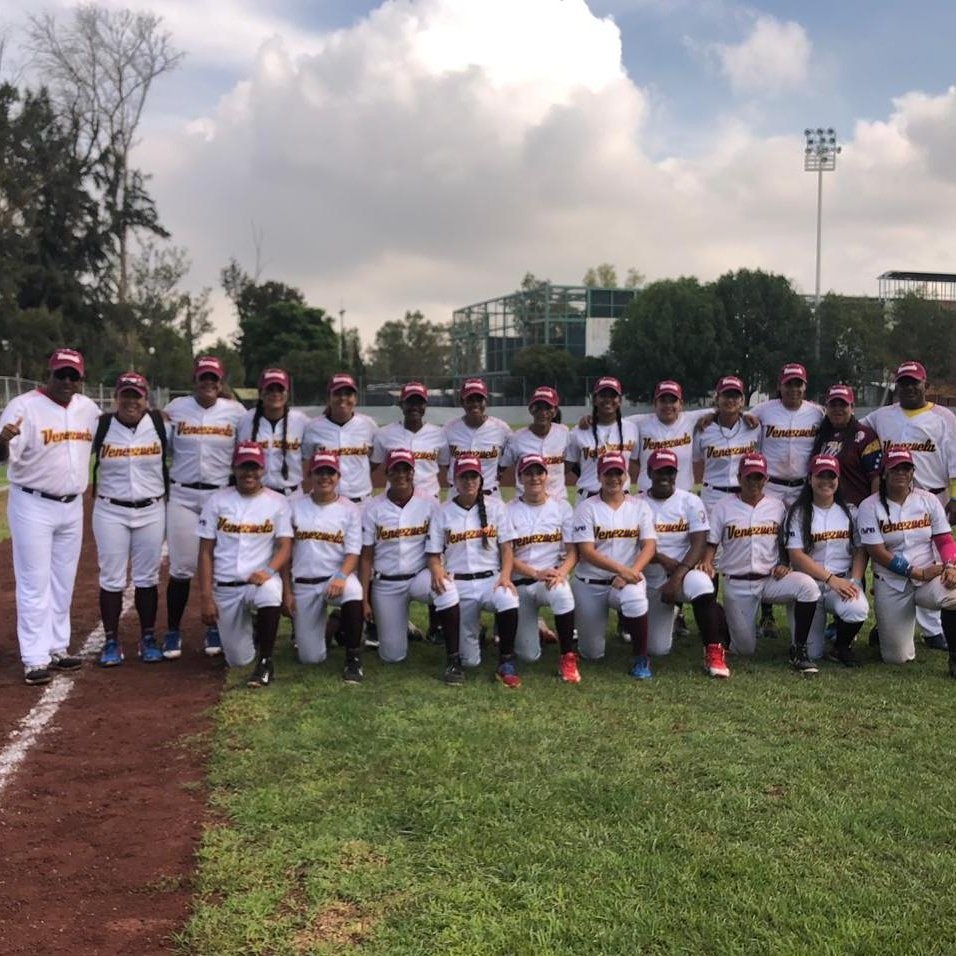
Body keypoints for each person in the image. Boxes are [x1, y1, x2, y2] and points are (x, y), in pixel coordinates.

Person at [0, 348, 99, 685]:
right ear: (50, 373)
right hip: (33, 503)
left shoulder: (88, 409)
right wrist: (2, 441)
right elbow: (3, 455)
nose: (67, 381)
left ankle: (58, 646)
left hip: (72, 504)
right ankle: (34, 657)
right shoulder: (24, 406)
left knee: (63, 579)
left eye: (74, 376)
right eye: (62, 374)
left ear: (81, 379)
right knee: (33, 581)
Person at [862, 360, 956, 650]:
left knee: (932, 560)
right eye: (903, 383)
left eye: (914, 382)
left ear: (925, 385)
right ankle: (892, 620)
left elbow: (954, 459)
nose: (909, 387)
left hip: (933, 495)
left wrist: (955, 496)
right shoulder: (882, 416)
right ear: (897, 387)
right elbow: (854, 429)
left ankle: (932, 630)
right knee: (896, 556)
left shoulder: (944, 417)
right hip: (892, 497)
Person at [701, 452, 821, 672]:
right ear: (739, 478)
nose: (754, 482)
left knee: (807, 587)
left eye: (759, 477)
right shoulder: (723, 507)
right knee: (744, 650)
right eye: (749, 477)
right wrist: (707, 562)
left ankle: (799, 647)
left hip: (770, 579)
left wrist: (785, 563)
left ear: (766, 479)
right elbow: (712, 543)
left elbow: (785, 542)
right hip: (738, 583)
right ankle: (721, 618)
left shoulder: (777, 506)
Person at [163, 355, 244, 660]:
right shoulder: (176, 409)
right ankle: (173, 630)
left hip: (220, 496)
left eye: (214, 378)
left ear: (221, 382)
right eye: (203, 377)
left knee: (220, 565)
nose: (208, 383)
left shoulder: (236, 412)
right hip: (183, 495)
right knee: (182, 567)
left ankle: (215, 627)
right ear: (194, 380)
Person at [360, 449, 465, 683]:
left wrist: (439, 569)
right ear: (386, 472)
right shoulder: (372, 507)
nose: (401, 474)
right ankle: (400, 626)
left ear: (413, 472)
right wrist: (364, 598)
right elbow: (366, 556)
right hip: (386, 583)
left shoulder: (429, 503)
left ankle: (454, 658)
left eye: (406, 469)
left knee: (446, 589)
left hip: (420, 577)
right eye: (395, 469)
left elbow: (437, 545)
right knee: (392, 656)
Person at [197, 441, 293, 687]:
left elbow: (285, 545)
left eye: (254, 467)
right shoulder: (217, 501)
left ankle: (266, 661)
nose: (249, 473)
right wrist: (206, 596)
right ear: (234, 468)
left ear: (262, 469)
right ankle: (250, 633)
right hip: (226, 585)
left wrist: (270, 571)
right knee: (239, 659)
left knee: (271, 590)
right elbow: (206, 552)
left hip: (257, 580)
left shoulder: (277, 501)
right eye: (243, 467)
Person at [857, 446, 956, 673]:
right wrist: (915, 572)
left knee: (954, 595)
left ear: (913, 472)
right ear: (884, 473)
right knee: (897, 658)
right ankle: (885, 630)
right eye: (894, 469)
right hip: (892, 582)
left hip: (930, 577)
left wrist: (951, 565)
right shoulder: (869, 506)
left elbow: (944, 539)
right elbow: (877, 551)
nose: (900, 473)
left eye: (906, 468)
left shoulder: (928, 500)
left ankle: (954, 655)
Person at [91, 372, 167, 666]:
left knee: (147, 577)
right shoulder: (102, 425)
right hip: (110, 509)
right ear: (116, 398)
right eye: (126, 395)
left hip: (151, 509)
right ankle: (111, 640)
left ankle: (148, 637)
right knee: (111, 576)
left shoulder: (160, 424)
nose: (131, 401)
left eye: (137, 395)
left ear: (146, 399)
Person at [429, 454, 521, 685]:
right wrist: (437, 570)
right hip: (458, 581)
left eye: (473, 476)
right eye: (463, 477)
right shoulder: (443, 511)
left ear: (481, 479)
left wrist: (506, 577)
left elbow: (507, 548)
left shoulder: (496, 507)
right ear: (454, 481)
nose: (469, 481)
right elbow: (433, 553)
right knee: (471, 661)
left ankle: (506, 660)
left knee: (508, 597)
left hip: (490, 580)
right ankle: (457, 657)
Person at [749, 362, 824, 639]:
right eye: (788, 383)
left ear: (805, 386)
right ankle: (767, 613)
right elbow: (734, 417)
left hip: (803, 487)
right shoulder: (763, 411)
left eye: (798, 384)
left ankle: (806, 599)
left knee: (804, 542)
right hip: (773, 486)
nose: (793, 388)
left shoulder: (817, 413)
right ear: (779, 385)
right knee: (769, 544)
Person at [642, 449, 728, 678]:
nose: (665, 477)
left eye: (670, 472)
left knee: (702, 583)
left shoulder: (689, 500)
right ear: (649, 472)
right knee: (657, 649)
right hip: (652, 576)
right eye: (660, 471)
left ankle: (713, 650)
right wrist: (661, 558)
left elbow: (699, 542)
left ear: (676, 474)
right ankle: (708, 613)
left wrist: (678, 575)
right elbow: (636, 546)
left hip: (685, 571)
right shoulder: (638, 502)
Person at [570, 451, 657, 678]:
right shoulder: (586, 508)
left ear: (626, 475)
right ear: (599, 476)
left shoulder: (640, 506)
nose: (614, 479)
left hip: (626, 579)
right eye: (608, 474)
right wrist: (622, 570)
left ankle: (641, 658)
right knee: (592, 653)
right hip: (590, 582)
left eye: (618, 473)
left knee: (636, 598)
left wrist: (632, 573)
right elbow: (586, 552)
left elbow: (649, 546)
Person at [284, 451, 364, 682]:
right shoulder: (294, 507)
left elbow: (353, 553)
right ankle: (334, 624)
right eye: (320, 472)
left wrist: (341, 576)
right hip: (304, 584)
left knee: (354, 590)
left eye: (330, 472)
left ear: (338, 476)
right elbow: (285, 552)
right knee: (311, 658)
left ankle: (353, 658)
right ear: (310, 474)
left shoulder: (349, 509)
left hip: (335, 579)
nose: (325, 477)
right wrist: (286, 592)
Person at [784, 454, 869, 665]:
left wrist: (855, 581)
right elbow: (796, 555)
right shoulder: (798, 512)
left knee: (857, 608)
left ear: (838, 480)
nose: (826, 481)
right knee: (812, 653)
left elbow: (860, 549)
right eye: (820, 475)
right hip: (808, 586)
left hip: (840, 582)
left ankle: (842, 646)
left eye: (831, 476)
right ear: (810, 478)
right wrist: (830, 578)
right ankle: (806, 643)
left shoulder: (850, 512)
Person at [506, 453, 579, 682]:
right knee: (529, 656)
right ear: (520, 477)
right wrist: (535, 573)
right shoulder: (507, 509)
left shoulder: (562, 507)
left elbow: (573, 551)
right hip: (521, 584)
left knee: (563, 592)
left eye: (539, 472)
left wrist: (562, 573)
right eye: (528, 473)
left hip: (549, 581)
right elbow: (505, 555)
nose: (534, 477)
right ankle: (535, 629)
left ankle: (568, 658)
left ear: (547, 476)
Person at [302, 373, 377, 503]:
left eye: (348, 394)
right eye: (337, 393)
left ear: (355, 399)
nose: (343, 398)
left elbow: (375, 458)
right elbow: (307, 461)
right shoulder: (313, 427)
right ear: (328, 398)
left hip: (361, 502)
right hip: (326, 502)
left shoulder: (368, 425)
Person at [692, 376, 761, 515]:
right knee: (711, 537)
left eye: (735, 396)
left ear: (742, 401)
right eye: (726, 395)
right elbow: (696, 460)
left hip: (743, 494)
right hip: (713, 494)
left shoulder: (753, 426)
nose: (730, 400)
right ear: (717, 399)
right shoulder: (703, 428)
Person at [237, 367, 309, 497]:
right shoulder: (245, 420)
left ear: (287, 393)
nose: (275, 394)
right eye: (270, 389)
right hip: (257, 495)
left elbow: (309, 458)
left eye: (280, 389)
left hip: (291, 495)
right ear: (260, 393)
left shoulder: (301, 421)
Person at [371, 381, 450, 499]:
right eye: (410, 402)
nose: (414, 407)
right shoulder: (385, 434)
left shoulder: (440, 434)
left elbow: (448, 465)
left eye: (419, 403)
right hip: (395, 500)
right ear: (401, 404)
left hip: (429, 500)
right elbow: (371, 466)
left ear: (425, 405)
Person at [565, 376, 639, 499]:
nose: (608, 400)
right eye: (603, 395)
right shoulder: (579, 431)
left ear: (620, 400)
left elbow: (637, 461)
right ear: (594, 399)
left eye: (612, 395)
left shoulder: (631, 428)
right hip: (588, 498)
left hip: (622, 500)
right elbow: (565, 467)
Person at [811, 385, 882, 506]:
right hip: (823, 507)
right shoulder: (819, 435)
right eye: (833, 405)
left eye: (843, 405)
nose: (837, 409)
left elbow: (875, 478)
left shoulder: (866, 436)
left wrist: (873, 508)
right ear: (826, 408)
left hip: (856, 507)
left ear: (852, 407)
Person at [442, 378, 511, 497]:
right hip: (457, 496)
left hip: (490, 495)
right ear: (462, 402)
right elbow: (445, 462)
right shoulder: (449, 429)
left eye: (479, 399)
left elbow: (507, 459)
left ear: (486, 401)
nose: (475, 404)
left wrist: (497, 473)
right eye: (470, 400)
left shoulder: (501, 429)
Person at [500, 386, 570, 501]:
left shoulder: (564, 433)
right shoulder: (517, 438)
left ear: (555, 411)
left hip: (558, 501)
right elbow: (503, 466)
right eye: (538, 407)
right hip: (525, 502)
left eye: (548, 407)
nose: (543, 412)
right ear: (530, 409)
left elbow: (571, 462)